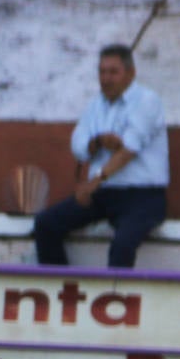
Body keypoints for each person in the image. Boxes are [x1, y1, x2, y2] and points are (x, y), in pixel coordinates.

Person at [33, 44, 169, 269]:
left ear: (130, 73)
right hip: (105, 194)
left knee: (122, 245)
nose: (106, 78)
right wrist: (97, 142)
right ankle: (62, 292)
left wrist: (93, 182)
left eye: (113, 72)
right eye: (102, 72)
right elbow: (78, 146)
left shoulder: (147, 101)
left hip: (144, 196)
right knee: (46, 225)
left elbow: (128, 151)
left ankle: (116, 301)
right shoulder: (95, 105)